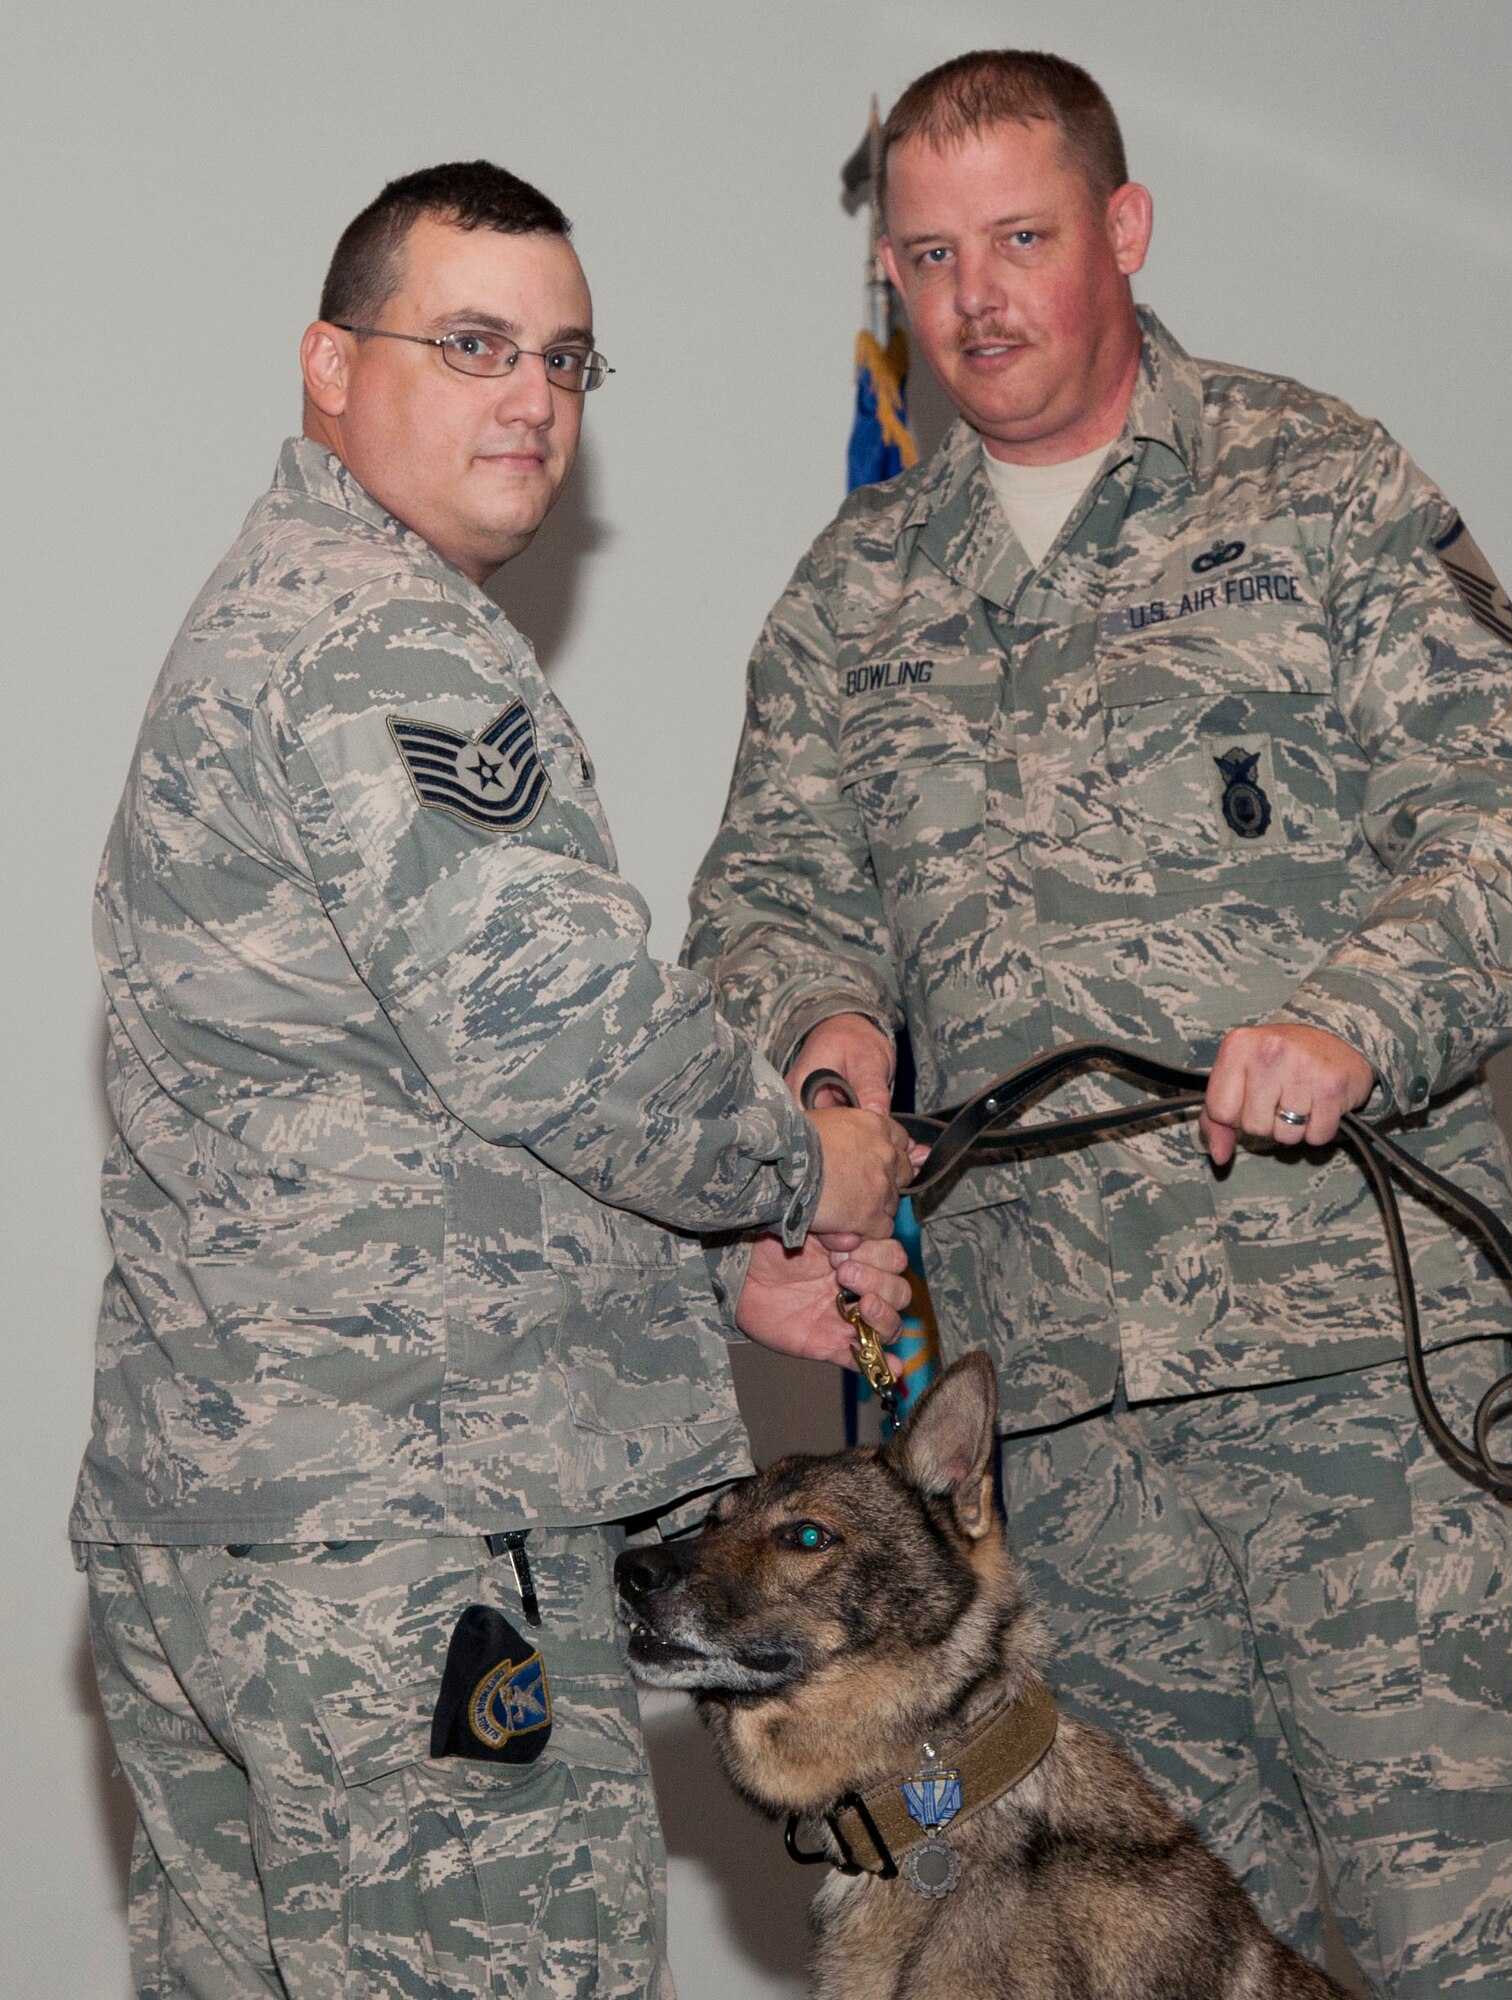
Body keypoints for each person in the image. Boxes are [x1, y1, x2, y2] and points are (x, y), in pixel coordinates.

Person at [685, 52, 1512, 2000]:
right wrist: (832, 1077)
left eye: (1020, 238)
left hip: (1366, 1394)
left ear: (1122, 230)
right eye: (926, 257)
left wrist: (1355, 1014)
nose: (974, 298)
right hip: (1067, 1446)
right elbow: (778, 906)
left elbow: (1510, 820)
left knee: (1474, 1948)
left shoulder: (1318, 480)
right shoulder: (856, 595)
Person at [72, 160, 916, 2000]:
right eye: (469, 343)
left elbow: (414, 1106)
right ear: (327, 363)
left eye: (564, 358)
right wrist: (806, 1168)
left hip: (240, 1531)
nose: (528, 395)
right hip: (415, 1547)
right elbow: (561, 1031)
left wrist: (706, 1270)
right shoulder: (385, 643)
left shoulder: (270, 612)